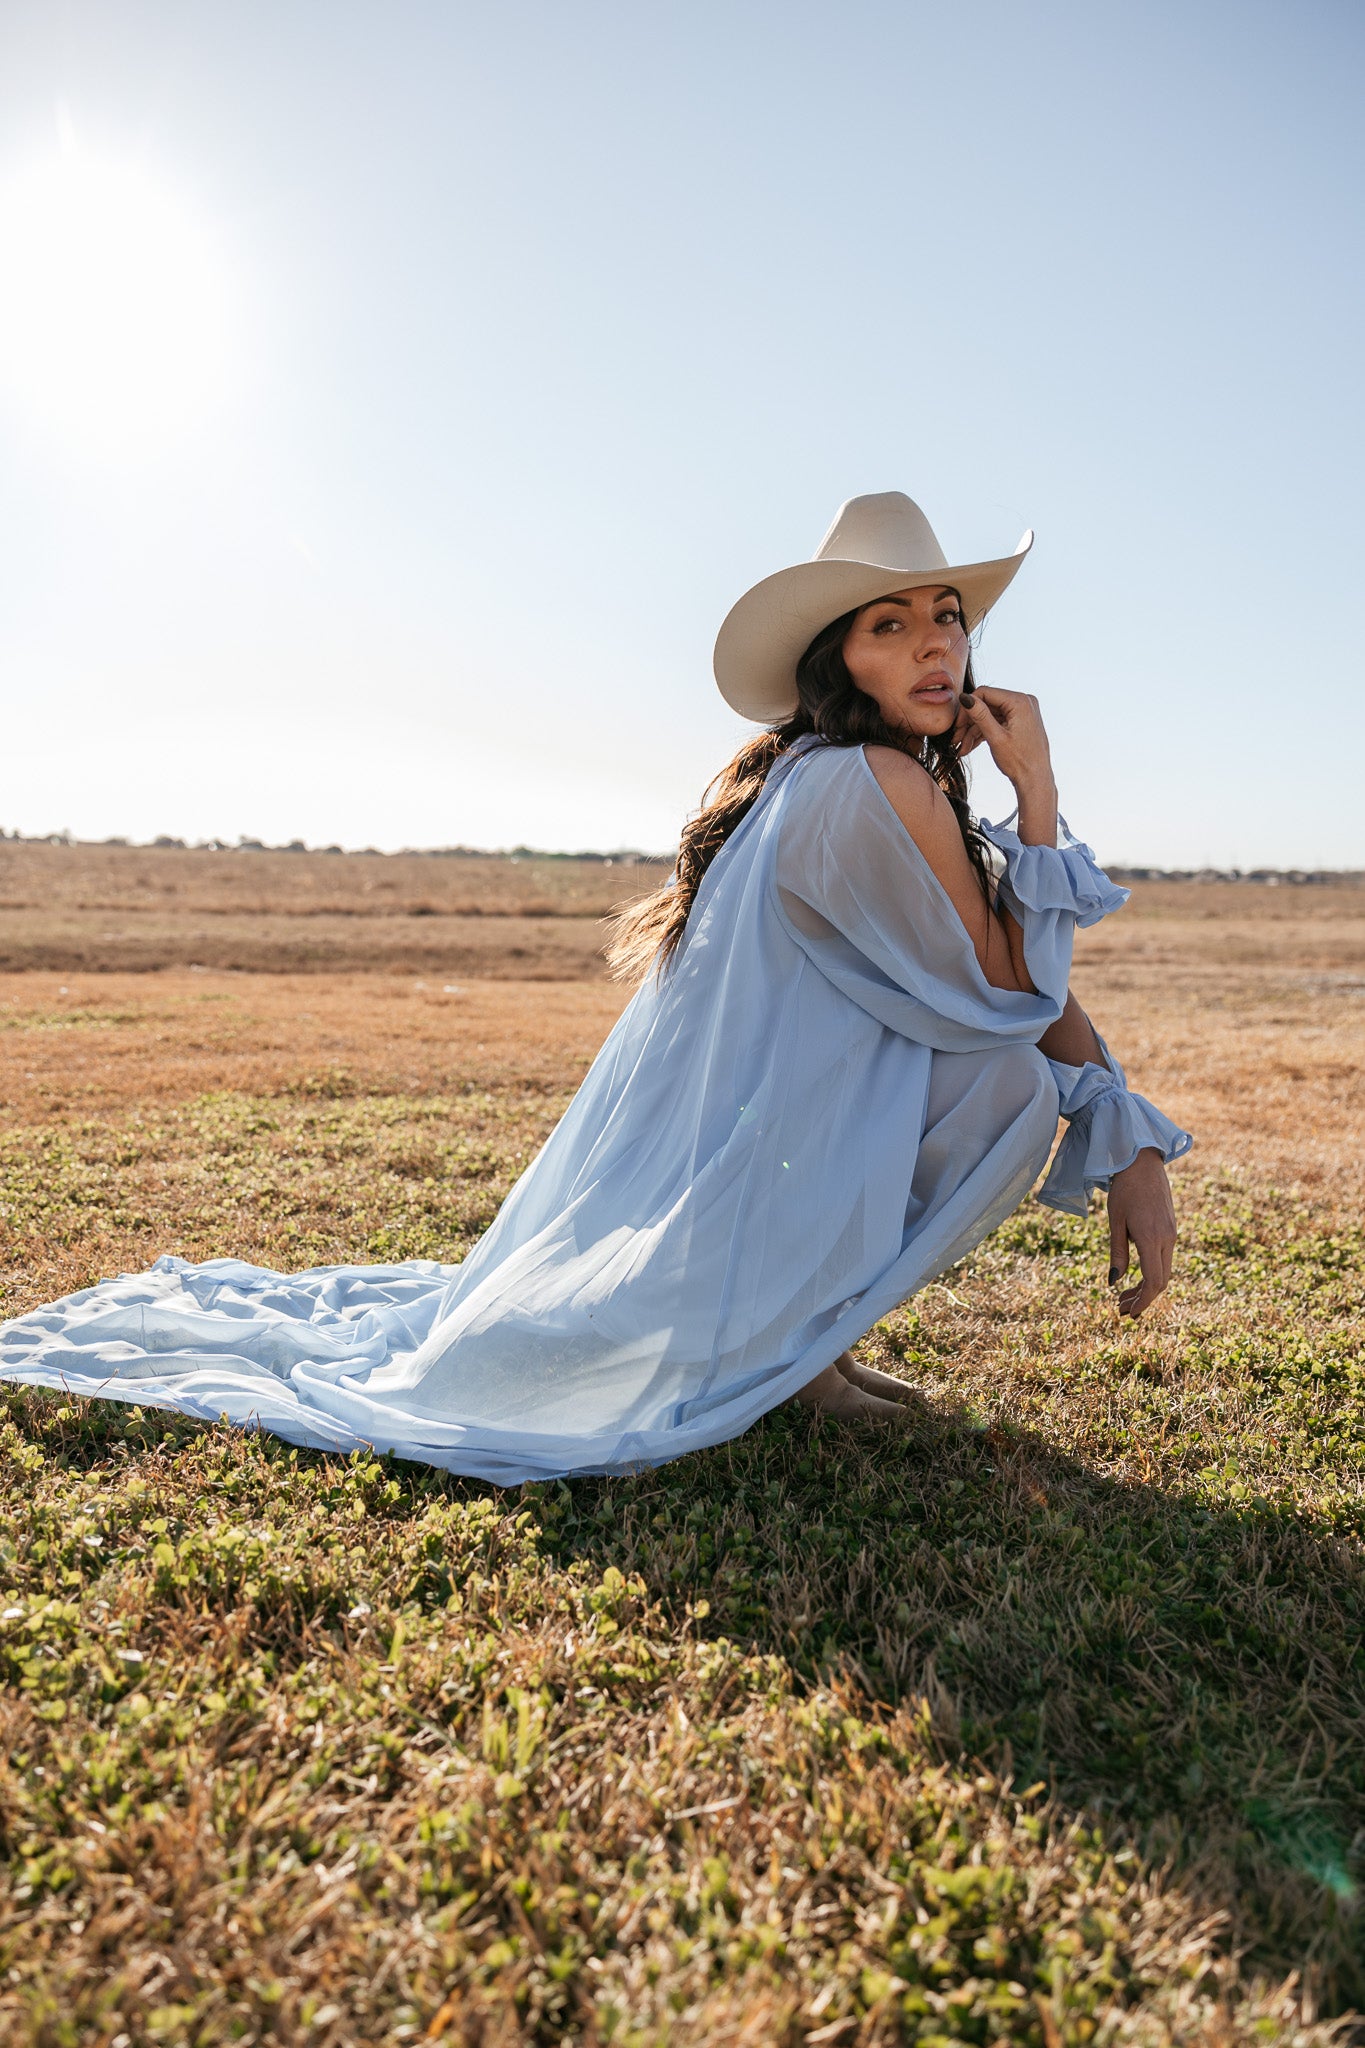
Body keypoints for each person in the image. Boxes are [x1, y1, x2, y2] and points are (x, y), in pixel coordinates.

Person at [0, 491, 1190, 1482]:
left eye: (949, 617)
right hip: (758, 1166)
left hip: (761, 1155)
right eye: (893, 623)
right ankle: (792, 1350)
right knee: (1010, 1087)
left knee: (999, 1078)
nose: (937, 643)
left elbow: (1004, 978)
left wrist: (1126, 1137)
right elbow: (1015, 990)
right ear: (841, 658)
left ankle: (804, 1347)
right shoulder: (868, 781)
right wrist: (1037, 791)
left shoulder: (831, 774)